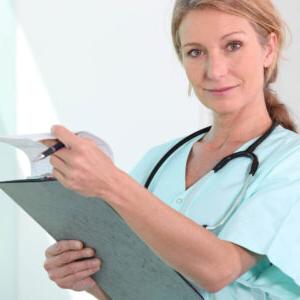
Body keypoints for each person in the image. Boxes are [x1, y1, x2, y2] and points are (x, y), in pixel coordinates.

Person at [43, 0, 300, 299]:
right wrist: (89, 277)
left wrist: (110, 183)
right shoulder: (160, 161)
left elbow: (219, 271)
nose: (214, 70)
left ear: (269, 48)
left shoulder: (289, 162)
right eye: (195, 52)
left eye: (233, 46)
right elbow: (138, 285)